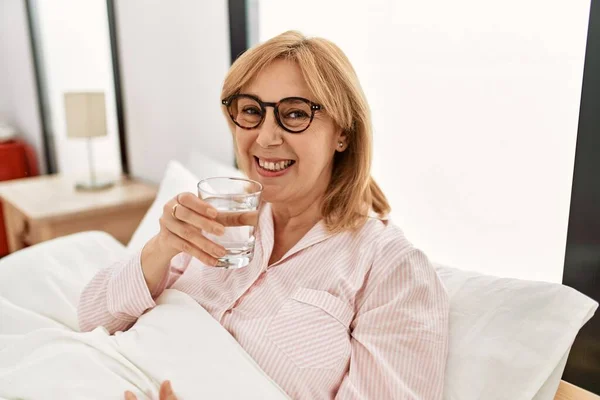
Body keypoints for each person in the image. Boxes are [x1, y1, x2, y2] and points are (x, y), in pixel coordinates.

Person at [78, 30, 450, 400]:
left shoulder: (390, 268)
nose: (266, 137)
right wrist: (159, 249)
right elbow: (91, 317)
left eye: (295, 114)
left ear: (344, 135)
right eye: (252, 111)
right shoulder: (215, 219)